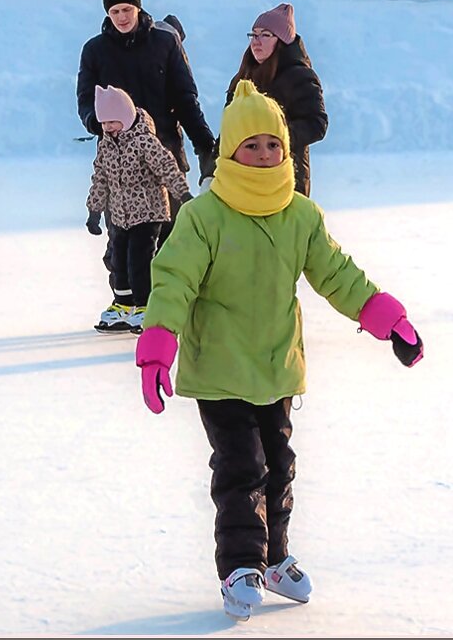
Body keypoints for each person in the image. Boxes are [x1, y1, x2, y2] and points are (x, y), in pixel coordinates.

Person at [134, 80, 423, 621]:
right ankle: (240, 565)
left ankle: (274, 557)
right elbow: (173, 281)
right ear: (229, 152)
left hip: (277, 368)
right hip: (221, 369)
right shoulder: (204, 216)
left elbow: (337, 274)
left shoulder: (300, 215)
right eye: (252, 146)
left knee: (280, 467)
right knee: (242, 467)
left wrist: (387, 318)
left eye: (274, 145)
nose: (264, 155)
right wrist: (157, 347)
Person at [76, 0, 217, 330]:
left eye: (127, 10)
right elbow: (84, 99)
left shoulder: (164, 43)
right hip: (119, 163)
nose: (122, 17)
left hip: (163, 153)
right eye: (115, 11)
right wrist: (97, 123)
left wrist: (205, 146)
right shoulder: (95, 50)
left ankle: (162, 304)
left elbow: (186, 99)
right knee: (121, 242)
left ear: (138, 8)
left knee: (166, 240)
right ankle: (126, 301)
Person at [85, 85, 192, 333]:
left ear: (126, 117)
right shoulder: (106, 146)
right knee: (118, 260)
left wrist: (183, 194)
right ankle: (124, 304)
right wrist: (94, 210)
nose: (108, 127)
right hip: (121, 216)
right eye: (104, 123)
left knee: (139, 261)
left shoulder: (144, 142)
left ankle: (146, 305)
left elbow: (167, 167)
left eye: (113, 121)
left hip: (149, 213)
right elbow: (100, 178)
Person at [221, 3, 327, 196]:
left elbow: (316, 124)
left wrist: (274, 139)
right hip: (243, 176)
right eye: (253, 34)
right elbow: (229, 128)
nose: (256, 41)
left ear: (282, 41)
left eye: (265, 35)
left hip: (286, 177)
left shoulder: (300, 76)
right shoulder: (243, 77)